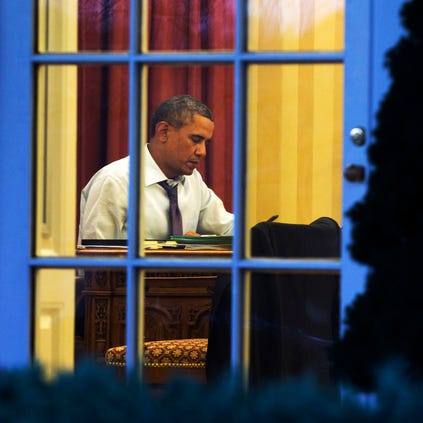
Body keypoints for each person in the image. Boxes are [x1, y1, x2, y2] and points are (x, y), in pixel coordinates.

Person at [78, 95, 234, 242]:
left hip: (189, 272)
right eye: (195, 140)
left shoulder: (193, 180)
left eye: (206, 143)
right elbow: (96, 258)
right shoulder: (114, 181)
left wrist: (202, 243)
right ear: (163, 132)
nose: (202, 152)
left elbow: (228, 228)